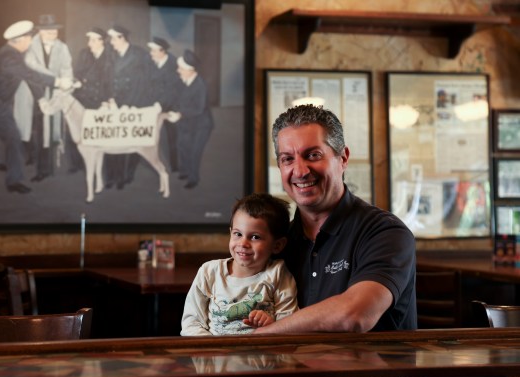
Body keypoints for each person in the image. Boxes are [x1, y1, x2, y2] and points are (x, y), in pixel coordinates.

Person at [253, 104, 417, 334]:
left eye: (313, 155)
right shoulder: (280, 243)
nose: (300, 171)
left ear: (343, 158)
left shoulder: (386, 233)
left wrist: (259, 337)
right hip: (291, 369)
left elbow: (355, 315)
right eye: (287, 159)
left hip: (370, 370)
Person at [181, 193, 298, 336]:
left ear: (277, 245)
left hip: (262, 355)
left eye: (255, 237)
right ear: (230, 233)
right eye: (238, 234)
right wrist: (212, 350)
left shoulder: (278, 274)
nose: (243, 243)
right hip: (215, 355)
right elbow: (191, 323)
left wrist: (270, 325)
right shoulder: (209, 272)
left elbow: (290, 326)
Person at [0, 20, 72, 194]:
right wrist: (58, 82)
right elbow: (30, 74)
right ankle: (14, 181)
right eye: (29, 39)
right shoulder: (10, 57)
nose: (31, 42)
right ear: (20, 40)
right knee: (14, 137)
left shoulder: (9, 53)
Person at [22, 14, 74, 182]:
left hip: (54, 94)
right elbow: (33, 68)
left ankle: (45, 169)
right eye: (51, 31)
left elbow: (67, 68)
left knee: (49, 132)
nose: (54, 34)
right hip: (33, 93)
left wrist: (64, 85)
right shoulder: (30, 46)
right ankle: (31, 158)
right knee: (31, 131)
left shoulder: (62, 47)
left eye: (56, 31)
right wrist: (56, 79)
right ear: (41, 32)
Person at [106, 25, 148, 189]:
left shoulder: (139, 55)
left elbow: (141, 84)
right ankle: (112, 176)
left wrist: (128, 105)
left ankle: (126, 176)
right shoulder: (111, 54)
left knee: (130, 143)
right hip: (114, 103)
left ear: (122, 38)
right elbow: (108, 79)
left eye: (113, 39)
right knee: (112, 141)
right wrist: (109, 98)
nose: (111, 42)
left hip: (133, 105)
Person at [167, 49, 214, 189]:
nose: (178, 70)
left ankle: (193, 178)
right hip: (186, 122)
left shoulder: (200, 85)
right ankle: (184, 171)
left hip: (201, 125)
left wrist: (180, 114)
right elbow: (176, 99)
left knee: (194, 151)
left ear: (190, 70)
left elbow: (198, 109)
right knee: (182, 146)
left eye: (181, 68)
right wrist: (172, 110)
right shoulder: (182, 81)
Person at [70, 27, 113, 174]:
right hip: (84, 99)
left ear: (102, 41)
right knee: (79, 132)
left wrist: (108, 100)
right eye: (89, 40)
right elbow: (76, 73)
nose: (90, 43)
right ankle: (78, 164)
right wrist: (77, 82)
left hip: (101, 101)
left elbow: (112, 81)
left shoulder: (110, 56)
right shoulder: (84, 54)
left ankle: (102, 166)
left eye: (94, 40)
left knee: (100, 133)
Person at [146, 36, 182, 172]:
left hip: (172, 106)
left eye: (153, 51)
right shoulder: (152, 62)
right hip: (156, 105)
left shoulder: (174, 65)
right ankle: (155, 162)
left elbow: (171, 91)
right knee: (154, 136)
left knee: (173, 137)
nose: (151, 53)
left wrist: (159, 105)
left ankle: (176, 165)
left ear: (162, 51)